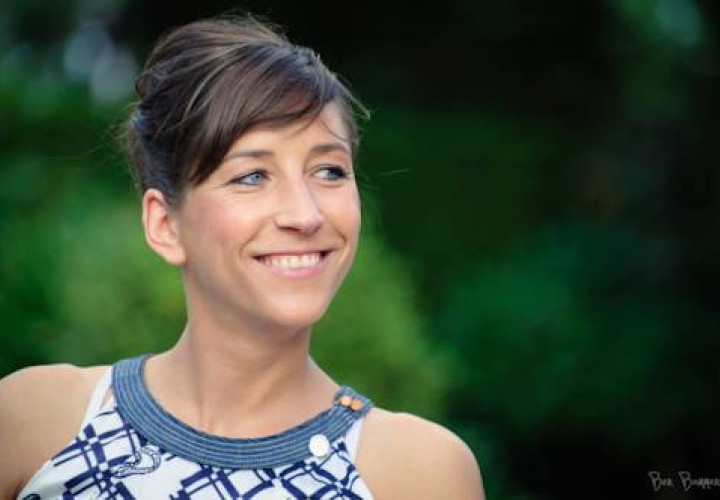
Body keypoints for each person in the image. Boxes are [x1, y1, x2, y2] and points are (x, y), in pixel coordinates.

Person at [0, 12, 485, 499]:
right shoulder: (37, 421)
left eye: (329, 171)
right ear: (165, 225)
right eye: (251, 176)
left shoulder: (417, 472)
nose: (305, 214)